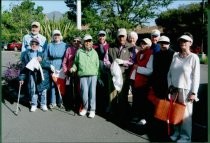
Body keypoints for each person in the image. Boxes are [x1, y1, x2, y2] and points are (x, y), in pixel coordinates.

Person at [167, 34, 200, 142]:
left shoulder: (193, 57)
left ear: (190, 43)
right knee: (176, 114)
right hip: (174, 89)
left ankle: (185, 137)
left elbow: (196, 76)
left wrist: (194, 92)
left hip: (186, 90)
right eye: (181, 41)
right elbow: (170, 73)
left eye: (185, 41)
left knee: (186, 116)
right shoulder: (175, 56)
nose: (182, 42)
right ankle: (176, 132)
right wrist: (170, 85)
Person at [150, 36, 175, 141]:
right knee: (160, 107)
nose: (163, 45)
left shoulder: (174, 54)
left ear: (169, 43)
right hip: (158, 84)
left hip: (169, 84)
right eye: (161, 43)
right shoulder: (157, 54)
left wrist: (172, 85)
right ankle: (161, 129)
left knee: (170, 108)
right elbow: (155, 70)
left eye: (165, 43)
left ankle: (170, 130)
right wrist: (153, 84)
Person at [70, 34, 99, 118]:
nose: (88, 43)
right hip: (82, 75)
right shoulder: (79, 52)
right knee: (84, 93)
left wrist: (97, 74)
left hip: (93, 75)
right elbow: (76, 63)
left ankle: (92, 110)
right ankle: (86, 108)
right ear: (83, 42)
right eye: (86, 41)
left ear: (92, 42)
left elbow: (97, 65)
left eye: (89, 41)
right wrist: (73, 68)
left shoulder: (94, 52)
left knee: (92, 93)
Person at [19, 38, 52, 112]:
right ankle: (34, 104)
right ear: (30, 45)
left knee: (43, 90)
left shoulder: (42, 54)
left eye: (36, 44)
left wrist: (41, 61)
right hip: (31, 74)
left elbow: (48, 65)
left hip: (42, 74)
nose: (34, 45)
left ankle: (43, 104)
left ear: (38, 46)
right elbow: (23, 67)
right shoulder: (26, 54)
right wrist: (21, 78)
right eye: (32, 44)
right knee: (33, 89)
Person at [108, 28, 133, 122]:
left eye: (123, 36)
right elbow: (106, 60)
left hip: (124, 74)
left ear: (126, 36)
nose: (122, 38)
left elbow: (133, 61)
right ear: (117, 37)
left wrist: (123, 62)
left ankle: (123, 115)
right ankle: (112, 113)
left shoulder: (131, 47)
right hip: (113, 74)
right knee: (112, 94)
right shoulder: (111, 47)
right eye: (120, 36)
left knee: (123, 95)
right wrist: (111, 66)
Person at [129, 38, 153, 126]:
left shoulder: (151, 54)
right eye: (142, 43)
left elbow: (150, 71)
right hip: (136, 80)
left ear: (149, 45)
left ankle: (143, 117)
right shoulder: (139, 53)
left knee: (144, 101)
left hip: (145, 82)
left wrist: (137, 68)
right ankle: (137, 115)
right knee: (136, 99)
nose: (142, 45)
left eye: (145, 44)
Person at [45, 30, 67, 109]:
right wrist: (49, 65)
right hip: (52, 65)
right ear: (52, 36)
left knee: (60, 84)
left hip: (61, 66)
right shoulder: (49, 45)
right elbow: (45, 57)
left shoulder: (65, 45)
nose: (56, 36)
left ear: (60, 36)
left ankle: (60, 101)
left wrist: (63, 67)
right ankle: (52, 102)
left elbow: (66, 57)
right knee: (52, 84)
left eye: (58, 35)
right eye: (55, 35)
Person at [93, 30, 111, 114]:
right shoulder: (94, 46)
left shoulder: (109, 46)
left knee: (106, 88)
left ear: (105, 37)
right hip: (97, 69)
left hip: (106, 69)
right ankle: (98, 106)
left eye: (103, 35)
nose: (101, 37)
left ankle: (107, 106)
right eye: (100, 35)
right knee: (98, 87)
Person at [62, 36, 82, 111]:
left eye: (78, 41)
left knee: (79, 89)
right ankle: (70, 105)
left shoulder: (81, 49)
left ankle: (78, 105)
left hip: (79, 73)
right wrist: (66, 70)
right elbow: (64, 62)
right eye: (74, 41)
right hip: (70, 72)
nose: (76, 42)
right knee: (70, 89)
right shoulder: (69, 49)